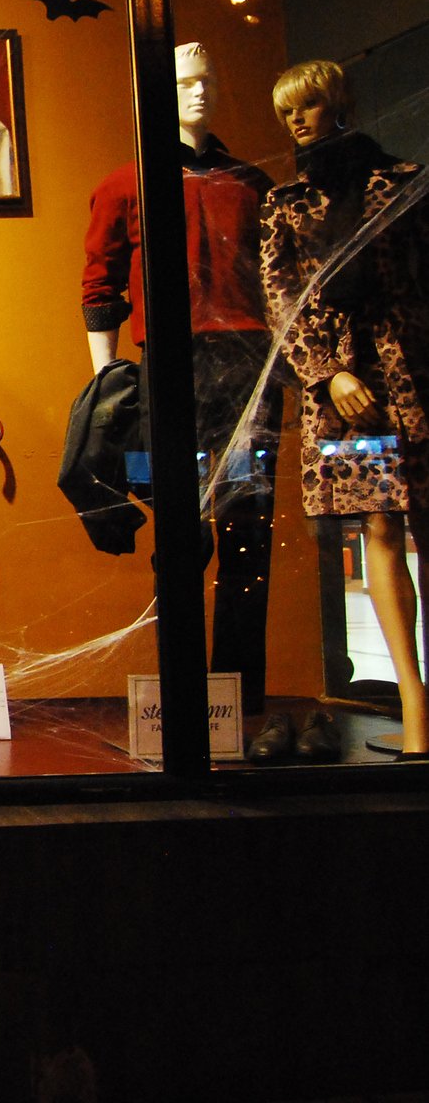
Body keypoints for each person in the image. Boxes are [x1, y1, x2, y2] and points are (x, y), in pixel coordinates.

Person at [79, 42, 301, 754]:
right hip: (165, 373)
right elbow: (98, 284)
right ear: (157, 93)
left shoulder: (251, 183)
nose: (198, 94)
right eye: (183, 83)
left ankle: (237, 702)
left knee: (247, 535)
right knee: (179, 534)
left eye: (206, 80)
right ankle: (181, 698)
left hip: (247, 370)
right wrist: (108, 381)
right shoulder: (125, 183)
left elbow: (280, 281)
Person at [259, 60, 429, 761]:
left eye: (310, 106)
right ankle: (415, 704)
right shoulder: (285, 203)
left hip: (413, 372)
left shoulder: (405, 183)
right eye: (288, 112)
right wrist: (326, 374)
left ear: (340, 104)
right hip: (343, 391)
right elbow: (280, 298)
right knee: (380, 530)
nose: (299, 121)